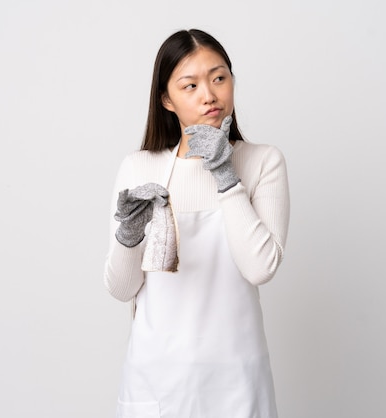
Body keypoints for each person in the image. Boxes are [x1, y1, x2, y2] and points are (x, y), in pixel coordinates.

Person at [104, 28, 290, 418]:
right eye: (190, 85)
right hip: (157, 378)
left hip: (237, 378)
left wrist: (225, 175)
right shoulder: (140, 167)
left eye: (219, 78)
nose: (210, 95)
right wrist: (128, 235)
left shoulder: (262, 162)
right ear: (167, 100)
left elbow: (260, 267)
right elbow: (122, 289)